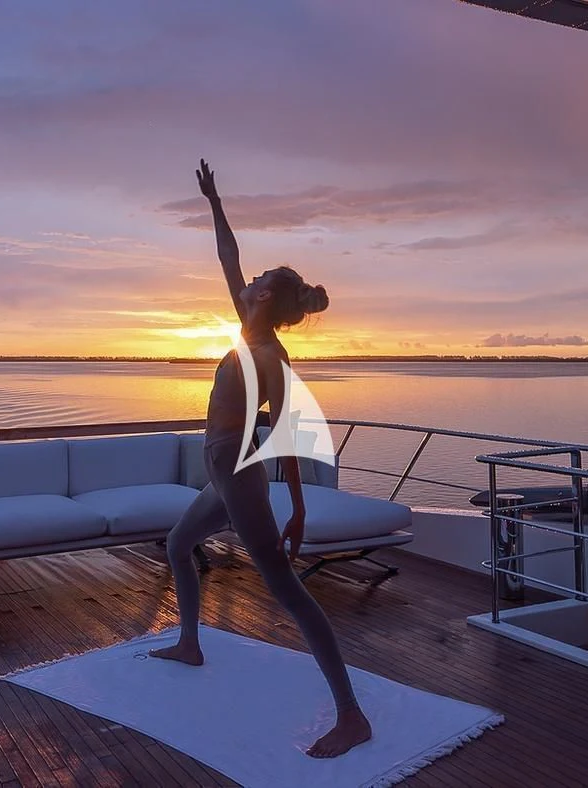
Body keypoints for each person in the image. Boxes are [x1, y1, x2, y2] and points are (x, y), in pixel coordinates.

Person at [149, 159, 373, 759]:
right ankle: (190, 642)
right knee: (177, 544)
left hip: (243, 477)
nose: (244, 280)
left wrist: (296, 510)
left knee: (288, 590)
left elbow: (290, 436)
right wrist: (214, 199)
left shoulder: (271, 356)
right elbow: (228, 255)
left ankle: (351, 715)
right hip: (221, 475)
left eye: (256, 279)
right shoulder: (246, 328)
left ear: (265, 293)